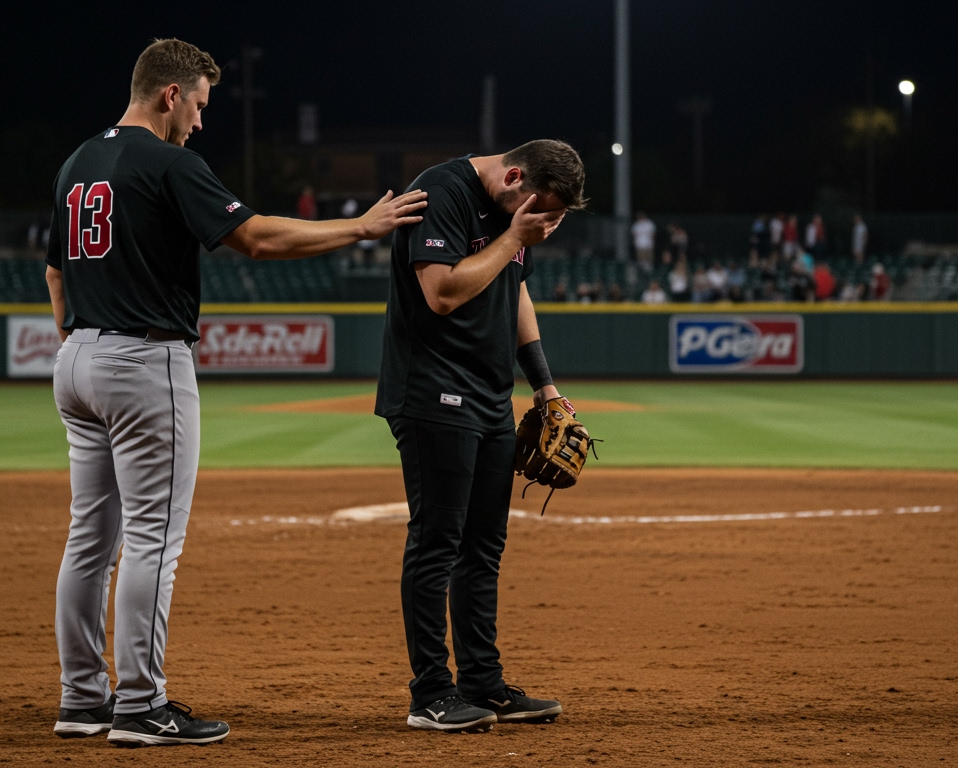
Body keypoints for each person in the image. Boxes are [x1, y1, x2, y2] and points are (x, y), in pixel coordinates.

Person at [44, 39, 427, 746]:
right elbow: (255, 238)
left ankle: (81, 698)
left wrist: (77, 340)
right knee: (152, 541)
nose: (199, 119)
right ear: (170, 94)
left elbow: (56, 272)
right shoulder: (167, 160)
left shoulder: (78, 161)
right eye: (199, 103)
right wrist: (361, 227)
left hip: (76, 358)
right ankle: (141, 706)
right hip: (142, 356)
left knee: (90, 539)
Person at [375, 139, 582, 733]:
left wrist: (543, 385)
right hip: (431, 389)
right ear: (514, 175)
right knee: (438, 539)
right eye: (544, 210)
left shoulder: (516, 216)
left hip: (491, 394)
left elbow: (515, 289)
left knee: (483, 546)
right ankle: (430, 694)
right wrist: (514, 236)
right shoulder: (442, 193)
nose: (548, 224)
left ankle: (483, 684)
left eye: (558, 217)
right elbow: (440, 293)